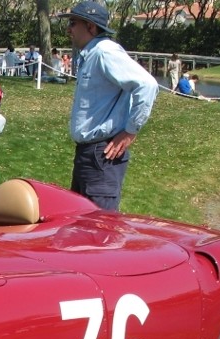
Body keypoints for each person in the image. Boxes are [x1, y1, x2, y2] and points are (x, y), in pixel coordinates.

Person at [60, 1, 158, 211]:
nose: (69, 29)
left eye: (73, 23)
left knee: (98, 232)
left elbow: (147, 85)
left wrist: (130, 131)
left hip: (101, 155)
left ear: (91, 27)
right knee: (80, 226)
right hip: (90, 155)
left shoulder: (105, 53)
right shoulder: (92, 54)